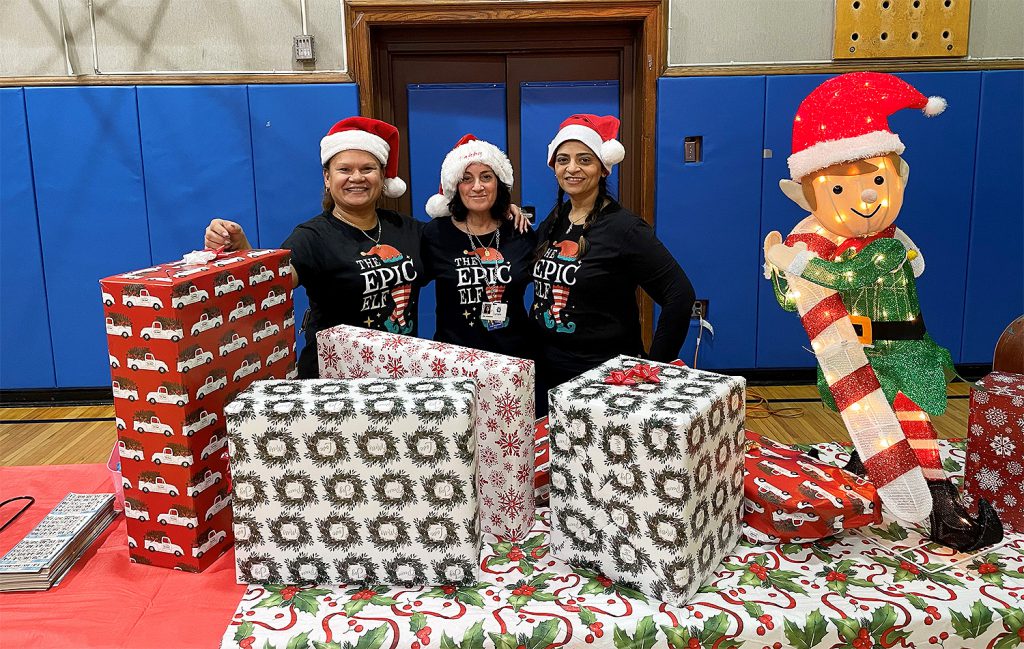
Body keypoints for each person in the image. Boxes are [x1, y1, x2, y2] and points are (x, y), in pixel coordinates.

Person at [205, 117, 425, 378]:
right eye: (344, 170)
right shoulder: (312, 236)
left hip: (399, 374)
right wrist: (240, 250)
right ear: (327, 178)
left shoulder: (409, 229)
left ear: (382, 175)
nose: (357, 177)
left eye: (367, 168)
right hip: (332, 381)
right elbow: (269, 284)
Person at [530, 114, 695, 414]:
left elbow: (679, 295)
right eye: (563, 159)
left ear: (603, 168)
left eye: (584, 159)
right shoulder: (553, 222)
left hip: (603, 381)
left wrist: (653, 368)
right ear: (553, 166)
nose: (572, 168)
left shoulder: (625, 229)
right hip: (548, 374)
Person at [421, 134, 536, 358]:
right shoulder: (435, 234)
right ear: (456, 186)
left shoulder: (519, 230)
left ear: (498, 183)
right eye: (466, 179)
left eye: (486, 177)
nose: (477, 187)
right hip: (454, 361)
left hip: (513, 359)